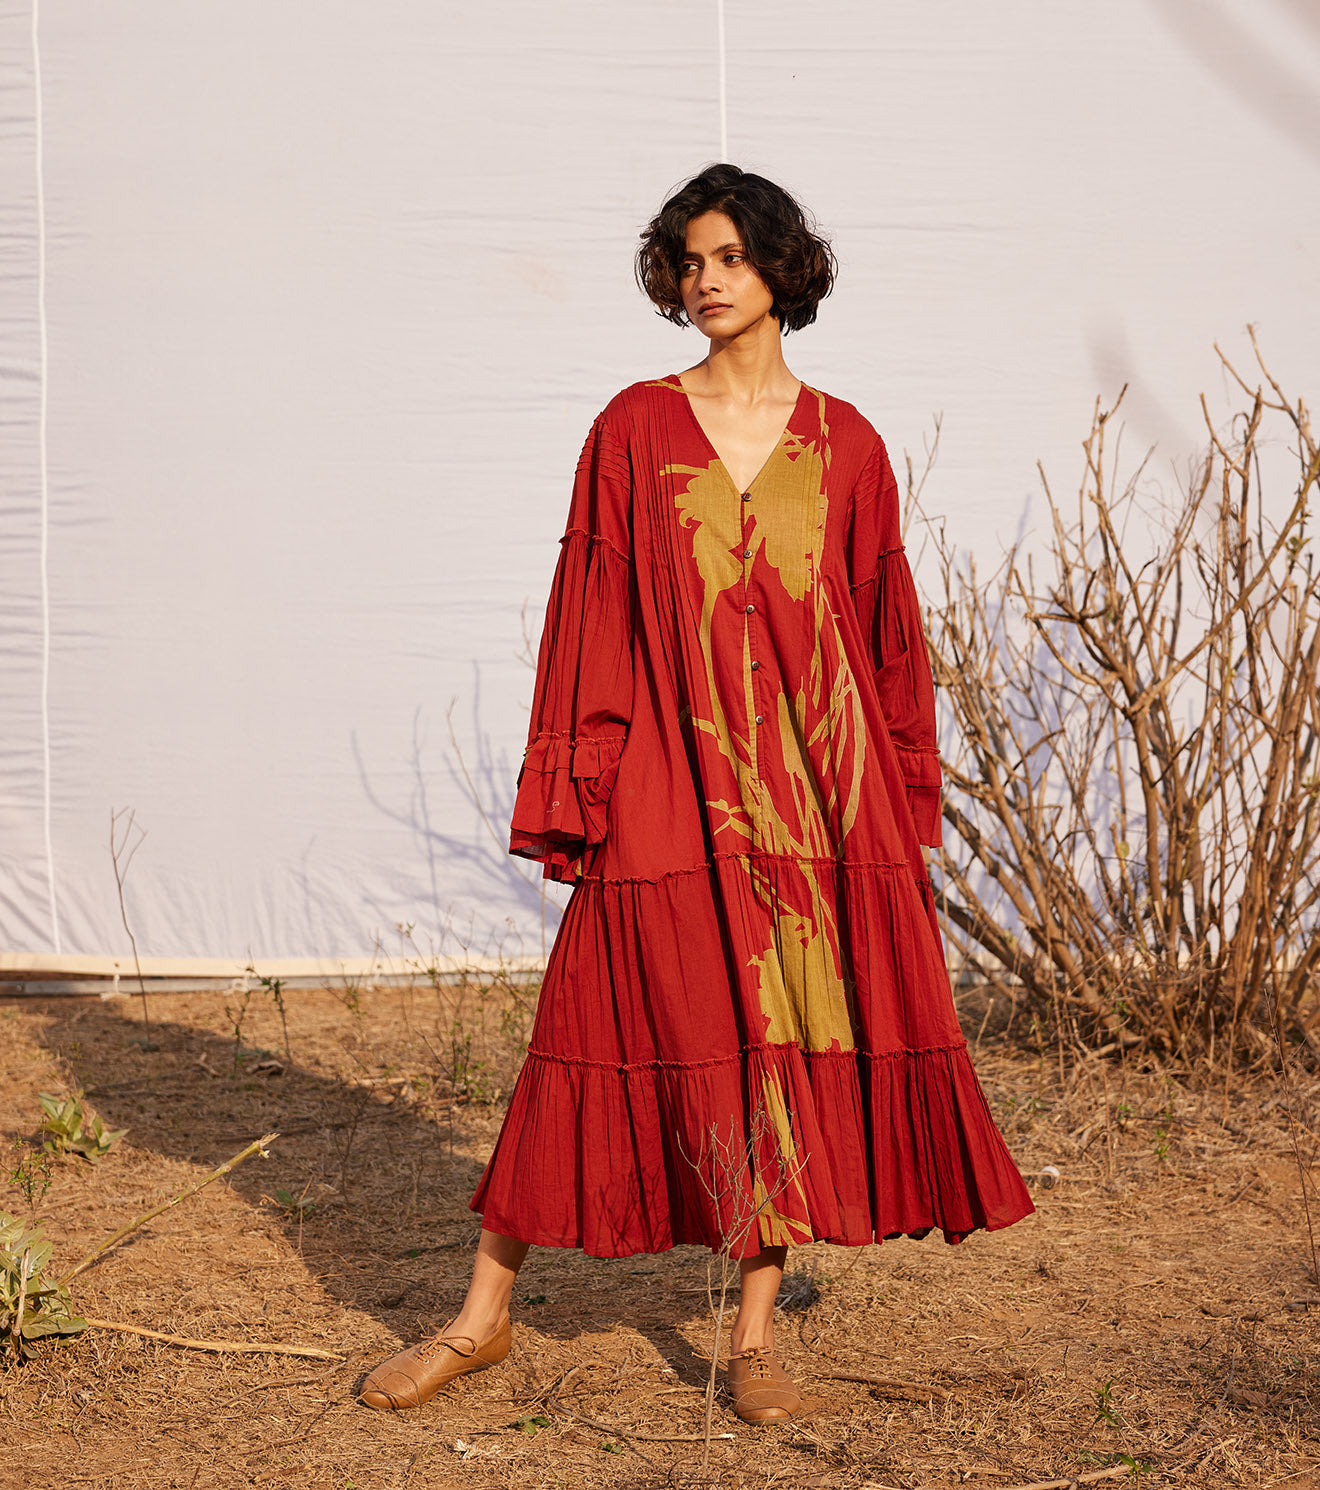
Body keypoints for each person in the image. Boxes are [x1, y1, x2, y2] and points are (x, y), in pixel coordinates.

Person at [360, 163, 1034, 1423]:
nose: (706, 280)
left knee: (776, 1036)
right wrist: (586, 776)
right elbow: (594, 611)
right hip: (670, 780)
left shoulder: (849, 442)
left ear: (781, 267)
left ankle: (754, 1336)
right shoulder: (632, 426)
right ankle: (478, 1318)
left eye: (729, 256)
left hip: (814, 790)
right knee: (584, 1022)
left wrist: (897, 795)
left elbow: (884, 632)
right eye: (688, 260)